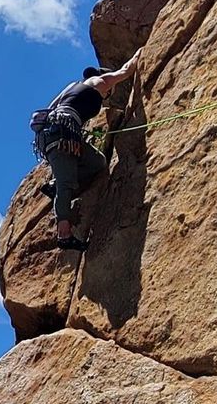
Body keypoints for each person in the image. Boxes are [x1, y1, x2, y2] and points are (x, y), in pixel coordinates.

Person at [35, 50, 141, 252]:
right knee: (67, 183)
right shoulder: (100, 83)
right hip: (63, 134)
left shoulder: (72, 87)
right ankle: (64, 234)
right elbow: (126, 70)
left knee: (97, 163)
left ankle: (54, 185)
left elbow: (50, 108)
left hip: (53, 133)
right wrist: (141, 51)